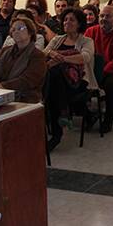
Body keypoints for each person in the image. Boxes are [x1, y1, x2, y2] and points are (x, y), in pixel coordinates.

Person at [44, 8, 97, 150]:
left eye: (72, 20)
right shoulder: (57, 39)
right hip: (59, 84)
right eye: (65, 19)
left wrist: (62, 59)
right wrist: (51, 53)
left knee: (53, 81)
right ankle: (63, 114)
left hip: (79, 81)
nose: (67, 22)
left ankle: (57, 131)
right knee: (55, 82)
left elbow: (84, 57)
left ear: (79, 24)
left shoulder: (87, 41)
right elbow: (44, 53)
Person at [85, 4, 113, 131]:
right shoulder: (90, 31)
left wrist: (101, 73)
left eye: (108, 16)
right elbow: (85, 53)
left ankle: (109, 119)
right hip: (94, 68)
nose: (103, 19)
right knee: (78, 83)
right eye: (101, 16)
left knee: (111, 85)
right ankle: (89, 116)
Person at [0, 17, 47, 103]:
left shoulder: (38, 55)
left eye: (20, 28)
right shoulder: (4, 51)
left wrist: (2, 87)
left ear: (30, 32)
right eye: (13, 29)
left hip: (25, 98)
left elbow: (27, 81)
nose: (16, 31)